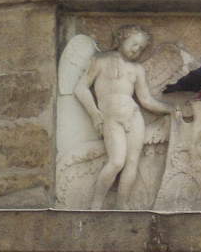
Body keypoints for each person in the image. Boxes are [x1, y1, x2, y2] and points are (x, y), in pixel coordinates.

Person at [73, 24, 178, 209]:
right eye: (134, 43)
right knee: (116, 162)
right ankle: (95, 204)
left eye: (141, 48)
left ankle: (123, 206)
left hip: (134, 116)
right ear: (122, 38)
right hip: (111, 117)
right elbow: (81, 88)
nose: (136, 49)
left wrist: (171, 109)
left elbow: (146, 100)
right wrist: (95, 115)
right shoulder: (101, 60)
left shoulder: (137, 69)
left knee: (132, 163)